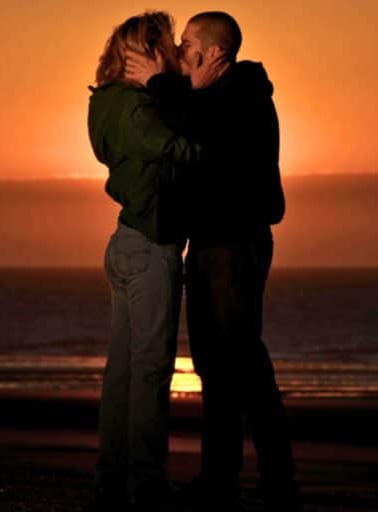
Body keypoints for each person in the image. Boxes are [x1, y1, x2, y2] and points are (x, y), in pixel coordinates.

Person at [124, 11, 300, 512]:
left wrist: (157, 80)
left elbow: (200, 122)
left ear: (214, 54)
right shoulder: (218, 96)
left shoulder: (242, 94)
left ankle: (274, 480)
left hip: (233, 246)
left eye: (186, 46)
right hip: (211, 245)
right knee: (217, 367)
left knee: (240, 363)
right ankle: (223, 479)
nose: (180, 54)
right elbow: (193, 119)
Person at [84, 11, 226, 512]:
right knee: (148, 375)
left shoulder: (105, 102)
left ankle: (111, 481)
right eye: (168, 44)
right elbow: (187, 149)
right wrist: (194, 95)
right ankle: (144, 485)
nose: (175, 52)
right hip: (149, 249)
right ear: (148, 50)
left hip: (125, 244)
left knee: (122, 375)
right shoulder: (138, 108)